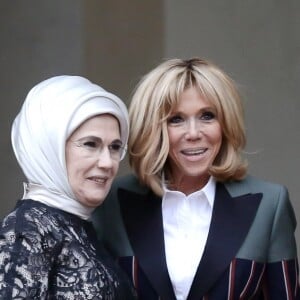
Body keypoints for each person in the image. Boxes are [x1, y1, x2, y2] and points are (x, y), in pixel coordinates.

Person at [92, 58, 300, 299]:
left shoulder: (270, 204)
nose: (193, 133)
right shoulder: (111, 201)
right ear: (153, 128)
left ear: (226, 123)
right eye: (176, 119)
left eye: (207, 116)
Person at [0, 75, 137, 299]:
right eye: (90, 144)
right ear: (50, 147)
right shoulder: (28, 230)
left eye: (114, 147)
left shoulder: (76, 225)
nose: (107, 162)